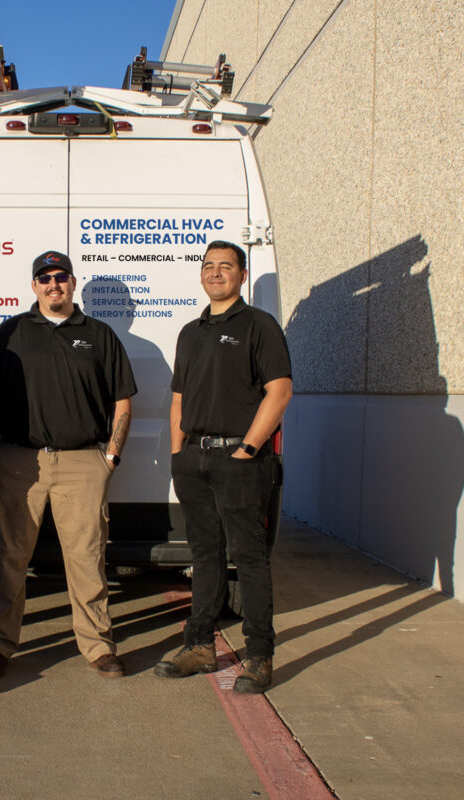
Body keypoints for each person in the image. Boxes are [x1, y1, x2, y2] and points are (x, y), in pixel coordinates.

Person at [0, 250, 136, 680]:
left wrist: (111, 457)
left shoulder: (100, 335)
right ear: (33, 286)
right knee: (9, 558)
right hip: (17, 461)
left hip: (83, 461)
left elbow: (122, 399)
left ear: (72, 282)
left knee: (86, 558)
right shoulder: (9, 333)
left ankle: (98, 646)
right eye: (44, 278)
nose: (53, 285)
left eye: (60, 277)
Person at [155, 240, 292, 693]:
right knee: (204, 556)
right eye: (209, 266)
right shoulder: (190, 332)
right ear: (201, 274)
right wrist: (178, 453)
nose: (216, 273)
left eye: (225, 266)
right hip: (194, 460)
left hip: (239, 460)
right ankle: (199, 646)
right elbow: (178, 398)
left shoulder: (259, 325)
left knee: (249, 558)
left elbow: (280, 391)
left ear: (242, 274)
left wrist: (248, 450)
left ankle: (259, 655)